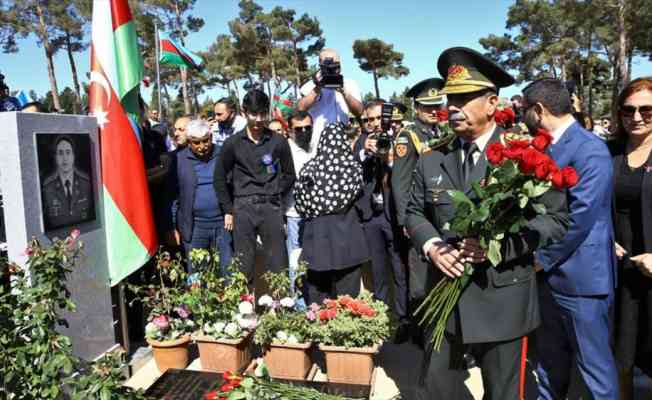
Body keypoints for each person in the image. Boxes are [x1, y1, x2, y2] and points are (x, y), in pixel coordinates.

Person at [406, 47, 569, 399]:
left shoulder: (524, 155)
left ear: (492, 103)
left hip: (502, 298)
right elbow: (414, 212)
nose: (452, 107)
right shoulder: (434, 156)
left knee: (503, 393)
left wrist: (499, 247)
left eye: (464, 99)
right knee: (436, 390)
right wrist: (433, 247)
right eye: (451, 98)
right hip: (444, 300)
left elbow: (556, 220)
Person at [523, 78, 618, 400]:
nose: (522, 116)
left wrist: (540, 259)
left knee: (595, 373)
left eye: (525, 110)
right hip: (549, 279)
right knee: (548, 365)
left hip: (580, 281)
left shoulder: (590, 148)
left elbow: (580, 218)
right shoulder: (547, 146)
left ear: (538, 110)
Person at [213, 89, 295, 285]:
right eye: (253, 114)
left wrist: (275, 192)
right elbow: (219, 178)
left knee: (278, 263)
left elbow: (290, 175)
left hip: (271, 206)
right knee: (243, 264)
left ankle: (280, 309)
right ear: (244, 112)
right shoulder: (232, 144)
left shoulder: (278, 141)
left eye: (262, 114)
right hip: (243, 207)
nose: (258, 119)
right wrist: (228, 209)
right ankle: (245, 310)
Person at [608, 77, 652, 399]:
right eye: (628, 110)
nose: (636, 117)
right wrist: (601, 240)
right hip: (614, 269)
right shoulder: (606, 152)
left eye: (647, 110)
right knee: (618, 356)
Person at [295, 122, 369, 304]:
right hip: (348, 244)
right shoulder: (352, 169)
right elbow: (363, 205)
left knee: (318, 304)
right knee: (348, 302)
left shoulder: (308, 169)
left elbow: (300, 205)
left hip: (317, 243)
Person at [354, 100, 409, 343]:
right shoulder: (361, 141)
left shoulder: (400, 139)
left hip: (393, 215)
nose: (374, 124)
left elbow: (404, 175)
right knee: (378, 272)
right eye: (368, 120)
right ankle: (381, 319)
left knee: (399, 269)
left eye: (378, 119)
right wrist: (365, 150)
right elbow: (353, 164)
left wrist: (388, 158)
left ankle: (404, 320)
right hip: (371, 216)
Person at [169, 119, 233, 274]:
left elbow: (234, 185)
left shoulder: (223, 154)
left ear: (211, 137)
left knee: (228, 271)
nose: (202, 147)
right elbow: (172, 196)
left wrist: (231, 211)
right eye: (196, 143)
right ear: (189, 141)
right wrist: (171, 227)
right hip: (194, 227)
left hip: (223, 225)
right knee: (197, 273)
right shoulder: (179, 159)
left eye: (205, 141)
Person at [296, 48, 364, 157]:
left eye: (335, 64)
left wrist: (344, 91)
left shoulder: (350, 84)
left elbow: (359, 111)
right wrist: (317, 88)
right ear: (320, 65)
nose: (331, 68)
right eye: (327, 64)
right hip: (317, 146)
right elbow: (300, 109)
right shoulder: (310, 86)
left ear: (340, 65)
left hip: (343, 144)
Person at [284, 110, 313, 306]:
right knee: (296, 264)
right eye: (299, 129)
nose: (304, 132)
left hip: (315, 216)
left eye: (307, 128)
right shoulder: (284, 151)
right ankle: (300, 307)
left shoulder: (316, 147)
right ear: (290, 130)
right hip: (294, 215)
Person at [42, 135, 94, 230]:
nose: (65, 158)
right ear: (56, 157)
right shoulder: (48, 188)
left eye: (68, 152)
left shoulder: (85, 183)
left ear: (73, 156)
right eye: (60, 153)